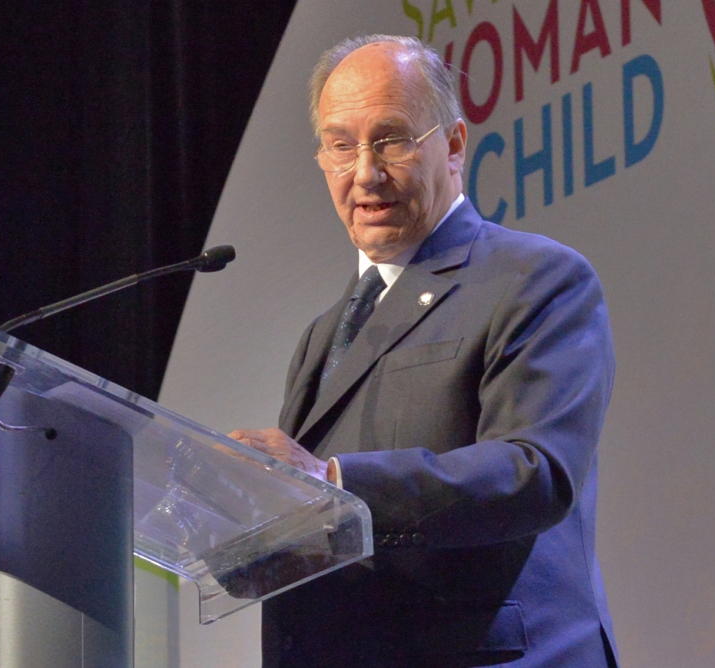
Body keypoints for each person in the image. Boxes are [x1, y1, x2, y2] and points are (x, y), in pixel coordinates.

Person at [230, 36, 618, 667]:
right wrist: (246, 530)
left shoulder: (534, 277)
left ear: (455, 145)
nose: (365, 172)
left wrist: (334, 484)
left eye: (390, 139)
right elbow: (313, 523)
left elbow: (535, 472)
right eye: (341, 145)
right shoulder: (325, 333)